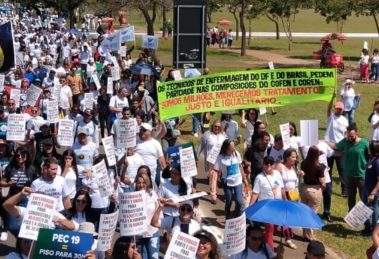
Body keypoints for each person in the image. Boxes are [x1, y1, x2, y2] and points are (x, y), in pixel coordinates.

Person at [327, 123, 369, 211]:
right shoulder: (346, 142)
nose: (350, 138)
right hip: (349, 175)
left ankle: (365, 217)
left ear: (357, 133)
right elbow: (335, 146)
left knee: (364, 197)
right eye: (349, 136)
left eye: (352, 136)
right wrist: (324, 141)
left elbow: (371, 156)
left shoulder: (364, 143)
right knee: (351, 197)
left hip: (361, 175)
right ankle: (351, 216)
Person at [250, 156, 286, 249]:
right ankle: (270, 249)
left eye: (271, 163)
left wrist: (285, 201)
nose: (269, 165)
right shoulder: (259, 177)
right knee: (269, 227)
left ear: (274, 165)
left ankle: (263, 242)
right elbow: (255, 193)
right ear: (263, 165)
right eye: (266, 163)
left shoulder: (278, 174)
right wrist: (250, 207)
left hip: (277, 205)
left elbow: (282, 189)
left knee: (275, 227)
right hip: (266, 207)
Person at [213, 139, 248, 219]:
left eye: (234, 146)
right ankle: (228, 217)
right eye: (232, 147)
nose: (234, 148)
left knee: (239, 201)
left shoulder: (236, 154)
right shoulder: (220, 157)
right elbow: (216, 170)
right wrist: (216, 180)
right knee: (228, 201)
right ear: (226, 148)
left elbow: (240, 167)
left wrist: (244, 179)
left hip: (238, 181)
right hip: (227, 182)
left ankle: (237, 216)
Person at [275, 148, 302, 249]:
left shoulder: (294, 167)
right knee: (284, 217)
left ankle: (287, 237)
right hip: (283, 194)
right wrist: (280, 193)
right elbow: (275, 180)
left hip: (293, 194)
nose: (295, 159)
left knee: (289, 217)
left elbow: (295, 183)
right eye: (293, 157)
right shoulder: (280, 166)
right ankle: (287, 238)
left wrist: (297, 195)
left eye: (296, 157)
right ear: (287, 157)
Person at [198, 121, 227, 204]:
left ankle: (226, 193)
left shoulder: (224, 135)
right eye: (215, 126)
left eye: (218, 126)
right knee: (213, 177)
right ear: (212, 126)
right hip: (211, 161)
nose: (216, 128)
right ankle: (213, 196)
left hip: (223, 160)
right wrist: (196, 156)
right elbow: (201, 146)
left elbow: (228, 145)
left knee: (223, 178)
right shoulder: (207, 135)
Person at [325, 93, 348, 197]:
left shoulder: (345, 120)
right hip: (329, 147)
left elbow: (346, 134)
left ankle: (345, 190)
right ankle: (327, 188)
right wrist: (332, 98)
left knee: (342, 169)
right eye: (337, 108)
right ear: (335, 108)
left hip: (340, 148)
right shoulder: (331, 117)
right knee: (327, 169)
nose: (339, 110)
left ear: (342, 109)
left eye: (340, 109)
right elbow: (328, 110)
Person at [300, 146, 325, 241]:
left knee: (305, 212)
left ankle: (304, 234)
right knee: (311, 214)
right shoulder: (319, 167)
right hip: (315, 190)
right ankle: (310, 236)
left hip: (304, 189)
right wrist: (323, 189)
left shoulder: (303, 163)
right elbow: (322, 182)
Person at [134, 172, 160, 258]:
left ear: (147, 183)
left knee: (154, 257)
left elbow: (158, 210)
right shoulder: (132, 196)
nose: (141, 185)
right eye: (139, 183)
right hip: (138, 235)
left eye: (144, 182)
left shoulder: (152, 194)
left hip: (152, 232)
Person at [362, 141, 379, 235]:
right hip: (366, 188)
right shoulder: (372, 159)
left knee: (373, 210)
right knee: (365, 208)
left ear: (373, 149)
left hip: (372, 191)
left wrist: (373, 193)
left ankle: (374, 231)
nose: (367, 148)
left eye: (369, 147)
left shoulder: (377, 162)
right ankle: (367, 229)